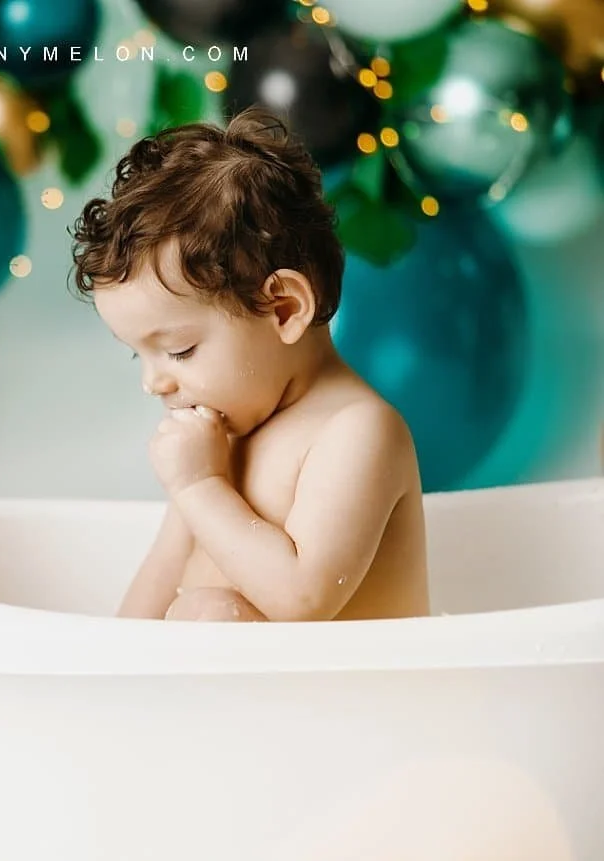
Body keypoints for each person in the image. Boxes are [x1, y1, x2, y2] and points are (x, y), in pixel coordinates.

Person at [71, 108, 429, 624]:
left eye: (178, 350)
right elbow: (163, 573)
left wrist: (200, 487)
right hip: (239, 702)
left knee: (212, 613)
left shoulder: (358, 432)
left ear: (282, 308)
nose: (154, 383)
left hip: (352, 702)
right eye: (138, 354)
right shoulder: (222, 437)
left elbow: (302, 600)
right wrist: (104, 676)